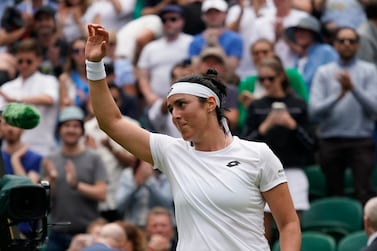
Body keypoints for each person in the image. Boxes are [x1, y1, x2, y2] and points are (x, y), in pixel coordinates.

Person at [85, 23, 301, 251]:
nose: (175, 115)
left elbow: (288, 224)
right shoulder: (171, 152)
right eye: (170, 109)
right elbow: (111, 122)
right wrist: (94, 65)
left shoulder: (257, 155)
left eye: (182, 105)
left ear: (209, 104)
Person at [242, 57, 316, 243]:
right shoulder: (257, 106)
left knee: (291, 226)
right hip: (261, 172)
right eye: (262, 79)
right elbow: (245, 144)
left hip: (292, 169)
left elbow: (312, 143)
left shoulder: (298, 104)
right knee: (262, 233)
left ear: (281, 76)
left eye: (271, 78)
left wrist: (292, 125)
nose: (266, 83)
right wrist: (265, 126)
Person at [309, 27, 377, 204]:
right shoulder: (324, 72)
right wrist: (338, 96)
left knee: (364, 192)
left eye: (351, 41)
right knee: (333, 192)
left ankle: (368, 230)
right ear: (334, 44)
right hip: (330, 140)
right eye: (342, 41)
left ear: (357, 45)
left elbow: (374, 108)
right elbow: (314, 111)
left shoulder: (369, 71)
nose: (346, 44)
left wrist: (353, 89)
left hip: (360, 140)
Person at [41, 105, 108, 251]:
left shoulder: (94, 158)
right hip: (57, 233)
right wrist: (51, 180)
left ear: (82, 131)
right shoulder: (49, 160)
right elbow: (43, 201)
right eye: (66, 125)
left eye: (76, 126)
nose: (71, 130)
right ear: (59, 130)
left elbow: (102, 194)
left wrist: (76, 185)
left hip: (88, 233)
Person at [0, 38, 59, 156]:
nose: (24, 65)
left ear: (38, 60)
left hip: (41, 149)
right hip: (9, 150)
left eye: (29, 61)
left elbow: (49, 99)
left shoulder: (49, 81)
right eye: (20, 61)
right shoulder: (7, 87)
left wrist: (17, 100)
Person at [237, 38, 309, 134]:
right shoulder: (247, 83)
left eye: (265, 52)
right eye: (256, 53)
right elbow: (242, 122)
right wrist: (251, 109)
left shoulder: (292, 74)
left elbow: (304, 105)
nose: (260, 56)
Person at [284, 15, 338, 90]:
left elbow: (337, 74)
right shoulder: (297, 57)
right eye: (297, 31)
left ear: (313, 34)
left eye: (304, 31)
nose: (300, 34)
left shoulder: (326, 51)